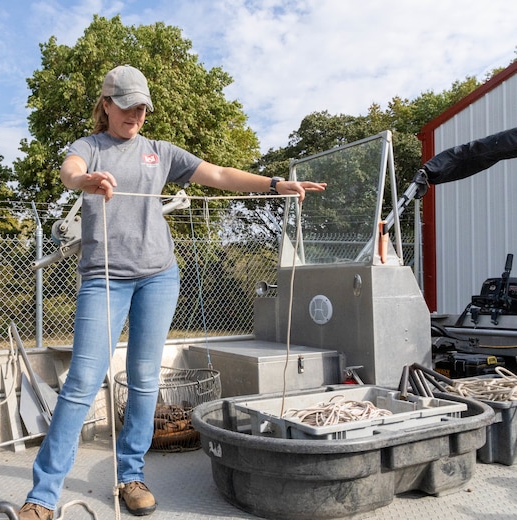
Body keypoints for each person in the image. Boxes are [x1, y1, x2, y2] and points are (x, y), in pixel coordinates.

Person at [17, 65, 326, 520]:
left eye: (141, 108)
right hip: (105, 278)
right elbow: (70, 169)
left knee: (144, 381)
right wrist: (84, 181)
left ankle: (131, 477)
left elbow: (218, 174)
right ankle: (42, 497)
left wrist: (276, 185)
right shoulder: (90, 147)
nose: (135, 116)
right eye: (126, 107)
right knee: (82, 381)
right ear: (106, 105)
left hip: (159, 276)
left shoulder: (160, 153)